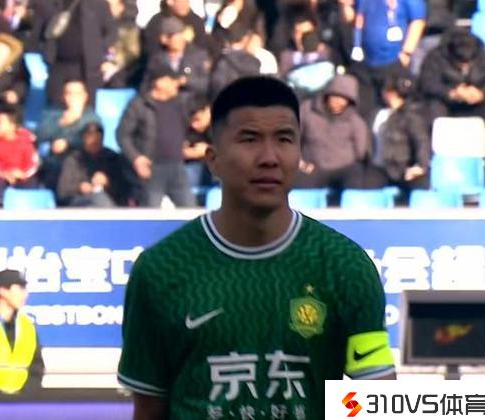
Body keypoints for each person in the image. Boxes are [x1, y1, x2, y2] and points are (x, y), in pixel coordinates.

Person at [118, 76, 395, 419]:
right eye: (249, 139)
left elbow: (378, 398)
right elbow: (149, 409)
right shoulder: (161, 270)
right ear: (213, 159)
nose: (269, 157)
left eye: (285, 139)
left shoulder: (345, 266)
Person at [118, 64, 195, 208]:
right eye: (171, 80)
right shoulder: (139, 105)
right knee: (150, 212)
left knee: (190, 211)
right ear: (159, 82)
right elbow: (123, 135)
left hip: (177, 167)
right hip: (152, 169)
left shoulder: (181, 103)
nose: (176, 84)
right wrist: (137, 158)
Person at [295, 74, 370, 193]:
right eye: (335, 97)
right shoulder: (307, 111)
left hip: (344, 170)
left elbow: (361, 153)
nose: (338, 102)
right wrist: (300, 163)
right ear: (327, 95)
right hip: (312, 168)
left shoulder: (356, 122)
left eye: (343, 99)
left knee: (357, 178)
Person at [363, 75, 431, 196]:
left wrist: (421, 166)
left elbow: (421, 141)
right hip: (379, 168)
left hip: (403, 167)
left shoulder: (412, 116)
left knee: (419, 185)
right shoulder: (376, 113)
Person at [57, 122, 137, 207]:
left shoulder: (112, 158)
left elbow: (124, 189)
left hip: (109, 201)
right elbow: (63, 191)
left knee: (101, 199)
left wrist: (107, 183)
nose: (94, 142)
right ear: (84, 139)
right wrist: (79, 188)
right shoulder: (74, 160)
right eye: (90, 138)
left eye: (97, 140)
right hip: (80, 203)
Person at [0, 107, 39, 207]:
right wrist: (4, 174)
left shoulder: (25, 141)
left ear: (12, 126)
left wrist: (22, 174)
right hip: (2, 176)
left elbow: (33, 163)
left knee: (31, 183)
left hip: (21, 176)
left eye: (0, 123)